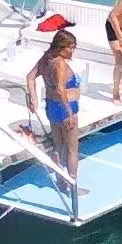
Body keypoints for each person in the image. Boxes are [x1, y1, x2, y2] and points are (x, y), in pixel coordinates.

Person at [29, 29, 85, 194]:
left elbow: (30, 77)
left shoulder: (47, 58)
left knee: (59, 145)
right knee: (72, 149)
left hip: (51, 107)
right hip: (66, 108)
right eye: (71, 47)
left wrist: (34, 98)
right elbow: (61, 89)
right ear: (61, 47)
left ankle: (61, 182)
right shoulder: (59, 63)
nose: (73, 51)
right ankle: (73, 187)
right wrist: (69, 112)